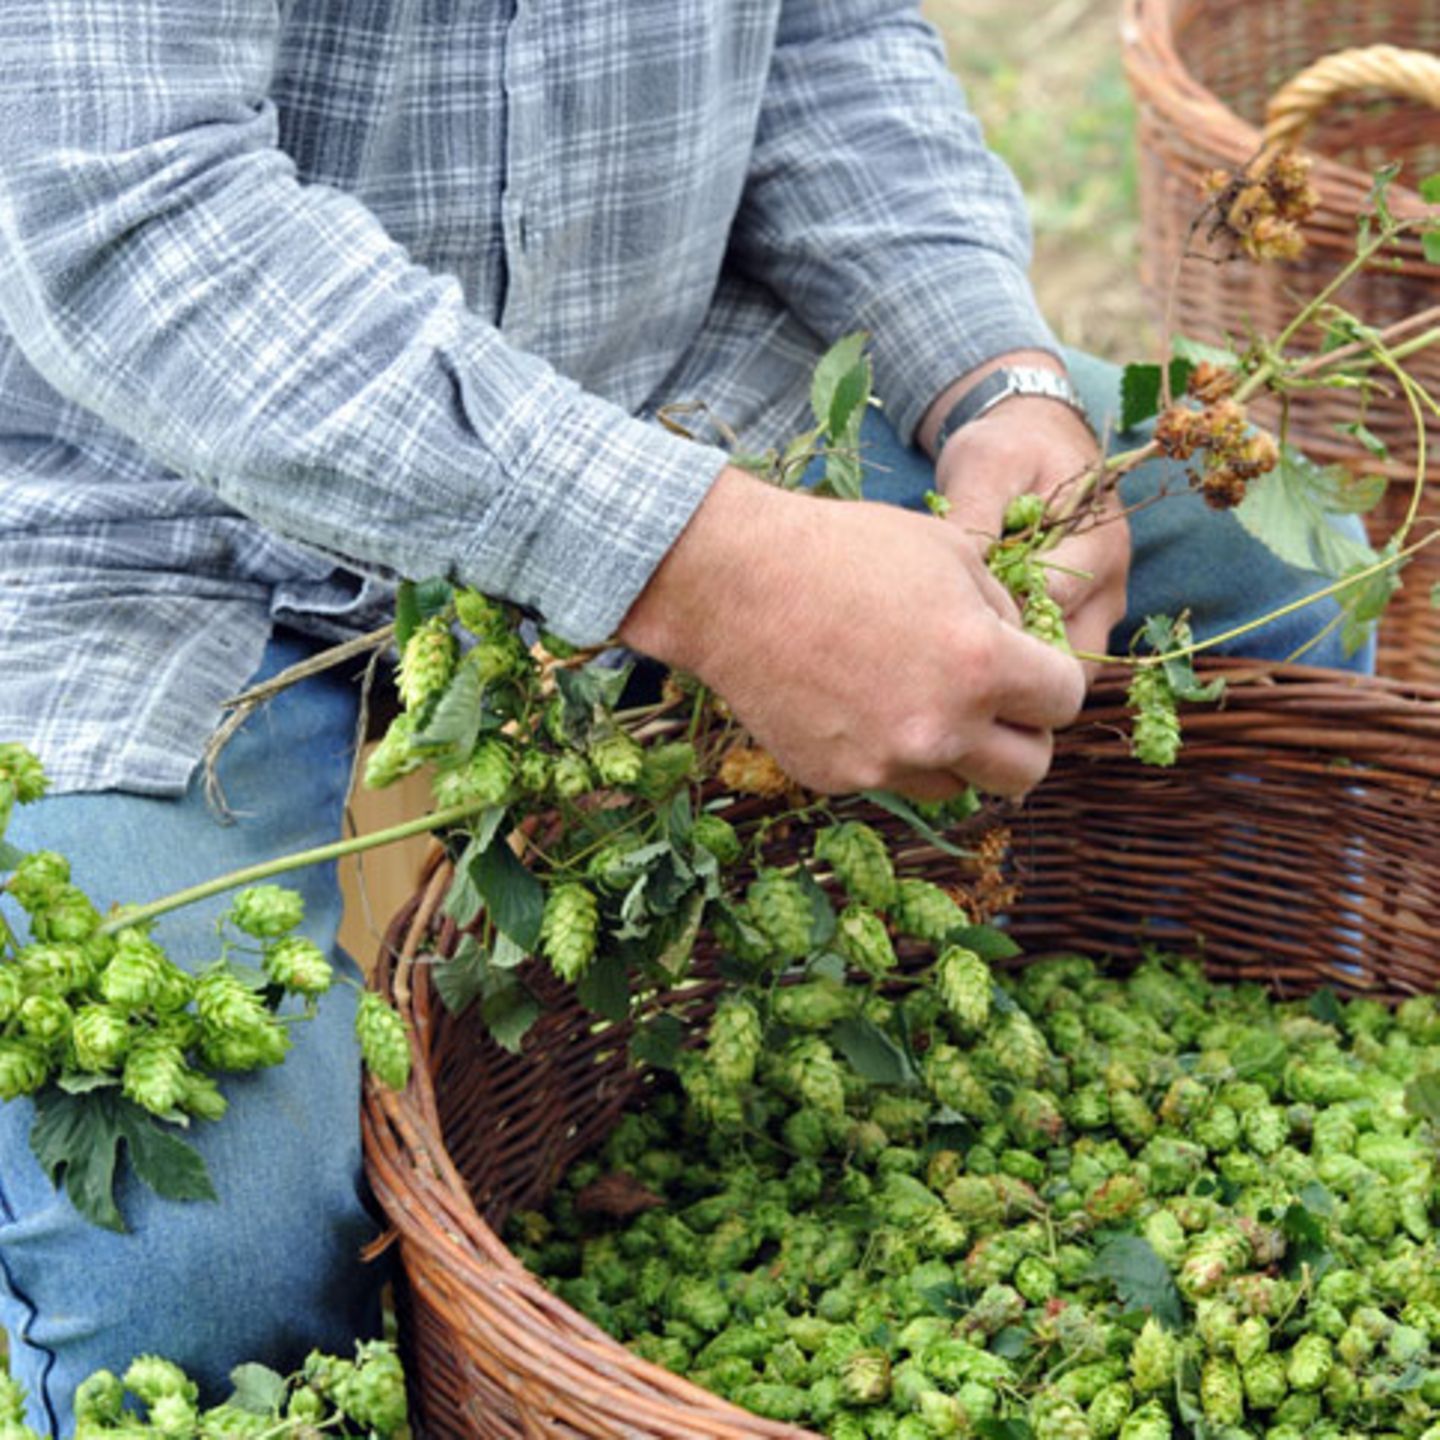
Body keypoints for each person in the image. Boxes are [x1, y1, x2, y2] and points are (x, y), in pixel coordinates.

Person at [0, 2, 1370, 1433]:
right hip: (139, 527)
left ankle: (1145, 1024)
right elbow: (126, 207)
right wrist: (706, 567)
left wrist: (994, 382)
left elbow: (828, 38)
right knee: (204, 1279)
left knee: (1261, 581)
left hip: (671, 391)